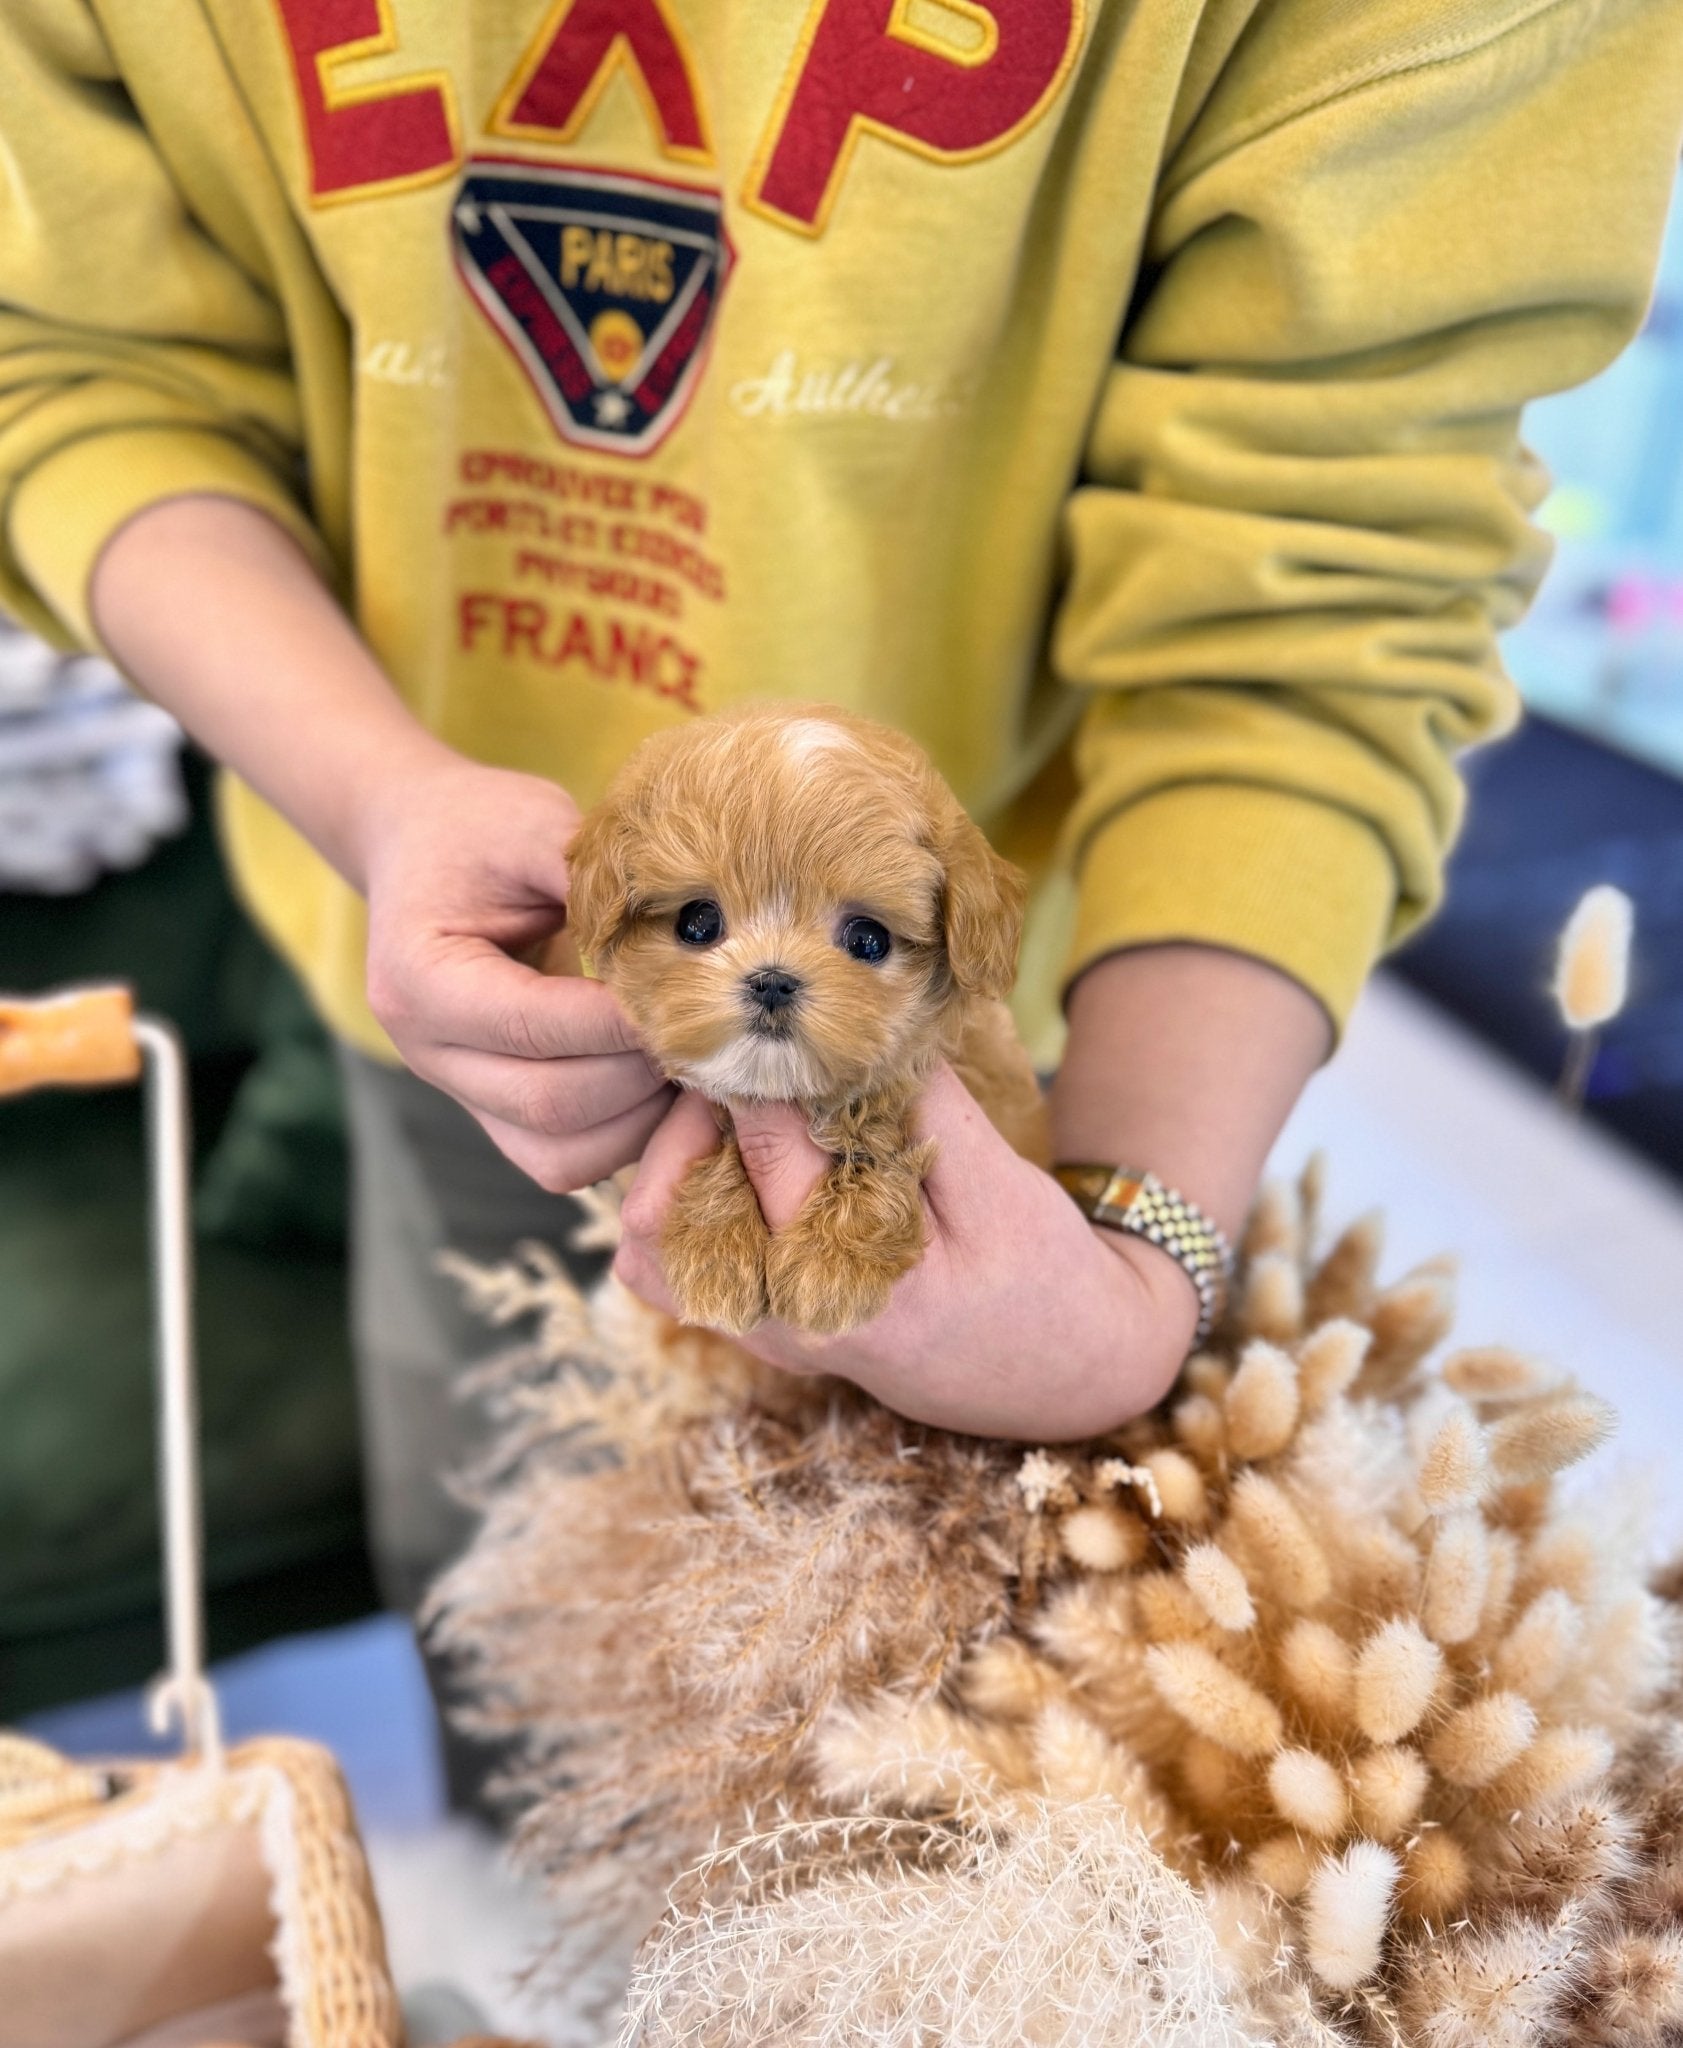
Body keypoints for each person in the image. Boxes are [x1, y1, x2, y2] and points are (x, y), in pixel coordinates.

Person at [3, 0, 1680, 1625]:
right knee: (513, 1627)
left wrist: (1136, 1232)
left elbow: (1326, 564)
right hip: (455, 1009)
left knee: (938, 1718)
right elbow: (71, 365)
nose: (774, 966)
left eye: (852, 926)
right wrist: (378, 800)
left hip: (1014, 1062)